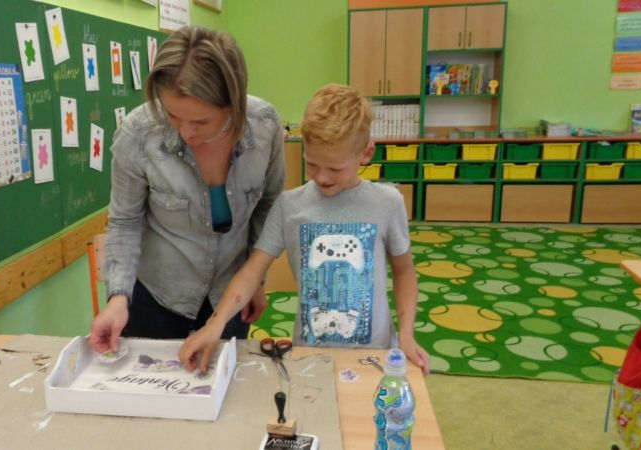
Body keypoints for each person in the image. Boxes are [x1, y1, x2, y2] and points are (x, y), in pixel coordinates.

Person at [178, 83, 430, 375]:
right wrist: (216, 323)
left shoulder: (387, 203)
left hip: (375, 354)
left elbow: (404, 272)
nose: (322, 177)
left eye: (335, 169)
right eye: (312, 164)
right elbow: (252, 272)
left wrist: (407, 333)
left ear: (366, 153)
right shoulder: (290, 205)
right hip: (309, 356)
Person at [89, 26, 285, 354]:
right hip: (157, 298)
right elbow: (125, 222)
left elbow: (269, 207)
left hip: (229, 296)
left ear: (233, 104)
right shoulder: (138, 133)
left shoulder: (264, 126)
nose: (186, 132)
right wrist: (118, 298)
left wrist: (255, 280)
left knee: (226, 381)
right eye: (172, 115)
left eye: (202, 122)